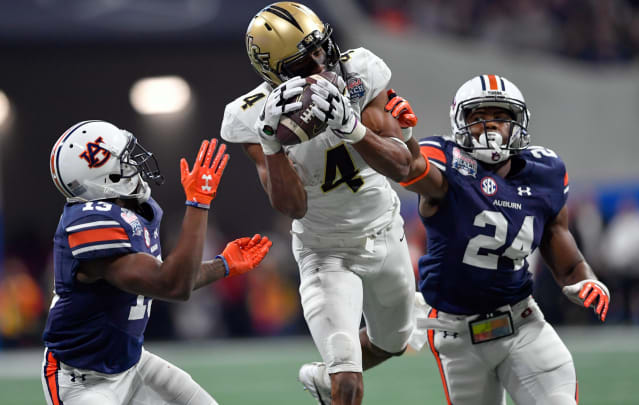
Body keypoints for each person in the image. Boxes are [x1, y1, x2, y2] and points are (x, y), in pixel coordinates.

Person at [220, 3, 418, 404]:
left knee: (393, 342)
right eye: (302, 61)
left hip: (385, 230)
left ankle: (320, 378)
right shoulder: (252, 116)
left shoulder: (360, 73)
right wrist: (272, 144)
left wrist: (352, 126)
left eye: (321, 49)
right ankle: (336, 377)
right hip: (325, 251)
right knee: (348, 383)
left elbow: (404, 166)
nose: (319, 62)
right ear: (273, 71)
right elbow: (292, 206)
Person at [395, 75, 611, 404]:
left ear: (517, 124)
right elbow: (412, 170)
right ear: (460, 123)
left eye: (500, 117)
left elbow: (566, 259)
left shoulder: (545, 171)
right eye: (478, 118)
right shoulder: (447, 160)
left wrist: (588, 282)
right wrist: (405, 136)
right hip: (457, 334)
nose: (490, 127)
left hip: (523, 322)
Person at [43, 120, 272, 405]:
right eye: (125, 160)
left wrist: (222, 264)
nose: (135, 164)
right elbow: (172, 285)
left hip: (131, 363)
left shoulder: (133, 211)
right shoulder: (90, 222)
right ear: (104, 176)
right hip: (83, 380)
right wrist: (198, 204)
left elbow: (166, 275)